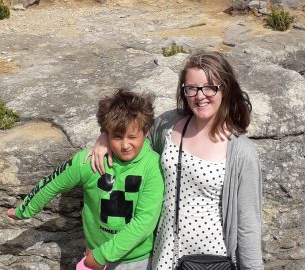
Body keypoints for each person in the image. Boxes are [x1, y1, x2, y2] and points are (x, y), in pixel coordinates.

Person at [86, 51, 263, 269]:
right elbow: (130, 132)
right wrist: (104, 135)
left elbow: (248, 224)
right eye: (191, 88)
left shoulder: (241, 151)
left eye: (210, 87)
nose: (200, 96)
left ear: (224, 89)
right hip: (165, 254)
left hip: (210, 259)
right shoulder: (169, 125)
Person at [7, 88, 164, 270]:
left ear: (146, 132)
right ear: (106, 133)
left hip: (137, 260)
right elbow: (53, 183)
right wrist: (25, 209)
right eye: (117, 137)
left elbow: (145, 221)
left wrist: (102, 255)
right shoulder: (88, 161)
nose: (125, 145)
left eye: (132, 137)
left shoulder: (153, 166)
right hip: (94, 253)